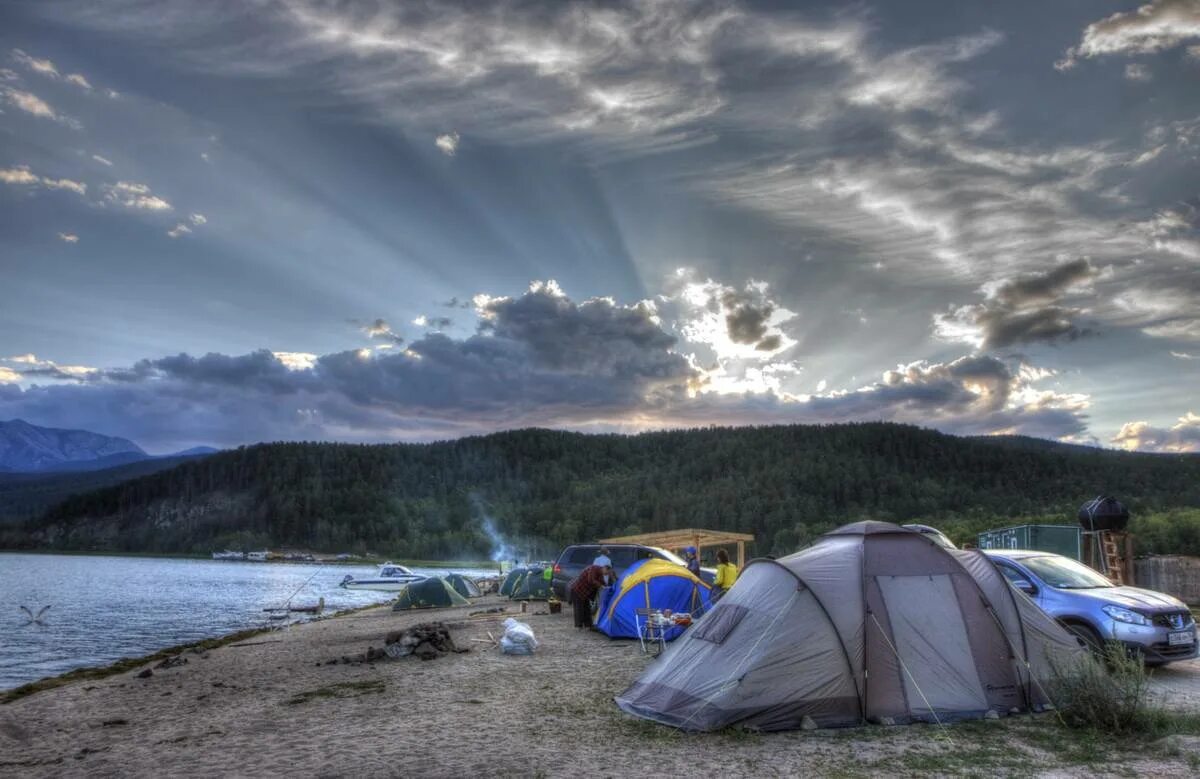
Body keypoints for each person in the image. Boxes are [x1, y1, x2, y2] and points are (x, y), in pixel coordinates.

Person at [570, 562, 612, 629]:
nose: (606, 574)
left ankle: (588, 625)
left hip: (585, 592)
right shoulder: (593, 568)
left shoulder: (600, 574)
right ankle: (579, 626)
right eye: (607, 572)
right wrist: (601, 586)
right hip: (577, 590)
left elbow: (603, 583)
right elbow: (591, 580)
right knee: (579, 608)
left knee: (587, 608)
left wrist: (609, 588)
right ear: (604, 568)